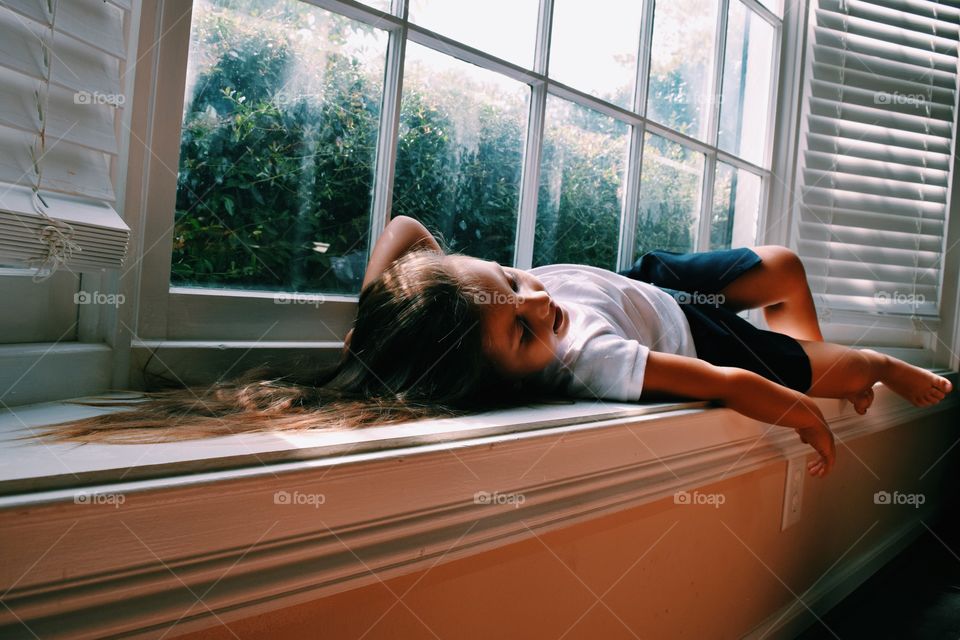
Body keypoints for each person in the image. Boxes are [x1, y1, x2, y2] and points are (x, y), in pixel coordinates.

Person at [34, 217, 953, 479]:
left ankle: (818, 353)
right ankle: (872, 368)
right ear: (508, 374)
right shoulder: (586, 355)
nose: (537, 300)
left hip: (638, 279)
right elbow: (716, 382)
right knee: (839, 368)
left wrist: (380, 318)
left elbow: (404, 227)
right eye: (521, 325)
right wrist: (797, 403)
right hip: (696, 334)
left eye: (511, 280)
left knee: (784, 261)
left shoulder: (519, 304)